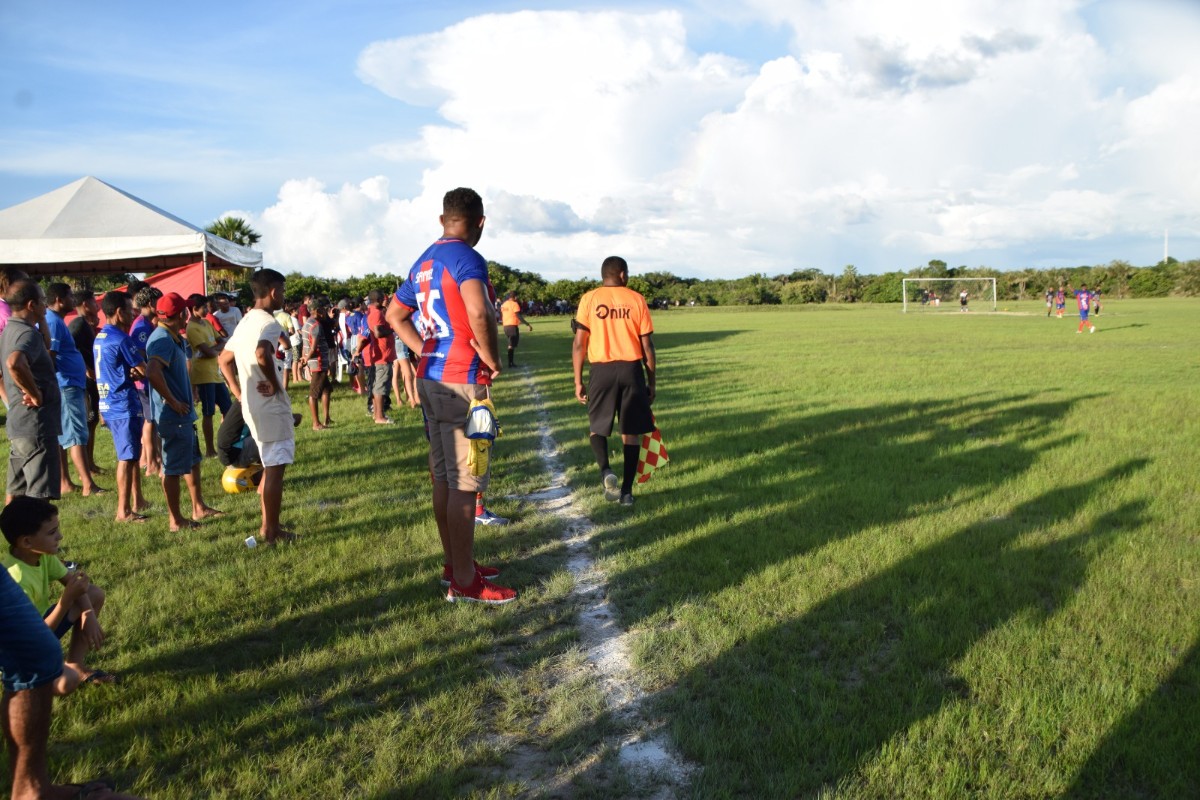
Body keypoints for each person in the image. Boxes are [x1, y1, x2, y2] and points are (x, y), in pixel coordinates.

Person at [388, 187, 514, 605]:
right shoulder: (467, 257)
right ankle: (465, 580)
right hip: (462, 381)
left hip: (432, 377)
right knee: (465, 482)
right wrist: (492, 358)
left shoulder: (423, 261)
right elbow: (479, 311)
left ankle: (455, 565)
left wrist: (426, 349)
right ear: (480, 221)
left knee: (444, 477)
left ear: (442, 220)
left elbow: (394, 315)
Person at [219, 269, 297, 546]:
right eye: (283, 292)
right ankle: (271, 530)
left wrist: (240, 393)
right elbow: (262, 352)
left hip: (252, 405)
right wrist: (275, 384)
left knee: (268, 464)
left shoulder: (246, 320)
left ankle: (269, 526)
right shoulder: (269, 321)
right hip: (269, 406)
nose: (284, 297)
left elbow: (224, 359)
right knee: (275, 468)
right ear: (274, 292)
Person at [2, 496, 111, 691]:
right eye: (52, 532)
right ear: (27, 541)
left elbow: (74, 584)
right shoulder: (16, 580)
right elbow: (35, 636)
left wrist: (88, 614)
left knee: (93, 593)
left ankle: (75, 665)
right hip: (22, 648)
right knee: (65, 684)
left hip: (41, 628)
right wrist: (65, 600)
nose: (60, 536)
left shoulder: (42, 555)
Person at [572, 256, 656, 507]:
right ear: (622, 274)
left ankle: (606, 470)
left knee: (597, 427)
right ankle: (627, 493)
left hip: (601, 370)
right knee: (630, 433)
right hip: (631, 370)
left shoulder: (589, 299)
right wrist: (652, 381)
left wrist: (578, 380)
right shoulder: (636, 299)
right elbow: (647, 346)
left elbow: (579, 343)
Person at [145, 293, 222, 531]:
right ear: (180, 315)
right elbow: (152, 371)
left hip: (184, 415)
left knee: (192, 461)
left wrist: (189, 393)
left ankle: (198, 507)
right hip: (173, 416)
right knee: (173, 468)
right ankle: (176, 520)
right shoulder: (162, 340)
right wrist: (173, 401)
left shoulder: (171, 337)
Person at [1, 280, 63, 503]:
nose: (46, 305)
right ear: (31, 304)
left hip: (20, 425)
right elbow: (14, 363)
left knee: (17, 494)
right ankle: (36, 538)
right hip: (36, 427)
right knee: (38, 497)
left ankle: (14, 537)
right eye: (42, 300)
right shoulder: (26, 335)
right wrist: (35, 394)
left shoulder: (9, 330)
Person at [44, 283, 105, 497]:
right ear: (60, 300)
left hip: (69, 384)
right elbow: (49, 356)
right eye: (70, 296)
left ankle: (65, 482)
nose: (74, 300)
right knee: (77, 434)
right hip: (66, 385)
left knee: (66, 435)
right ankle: (88, 484)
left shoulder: (56, 321)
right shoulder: (53, 322)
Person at [94, 291, 149, 523]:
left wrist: (128, 371)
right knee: (126, 458)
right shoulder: (122, 339)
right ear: (119, 312)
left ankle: (138, 500)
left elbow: (114, 368)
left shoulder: (101, 337)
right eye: (129, 309)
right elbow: (144, 369)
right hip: (122, 403)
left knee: (132, 454)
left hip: (109, 401)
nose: (133, 313)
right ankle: (123, 511)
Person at [185, 293, 231, 458]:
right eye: (204, 307)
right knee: (208, 413)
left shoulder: (206, 322)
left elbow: (221, 343)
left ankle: (225, 443)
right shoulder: (192, 328)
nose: (207, 309)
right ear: (194, 309)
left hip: (215, 373)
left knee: (229, 409)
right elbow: (210, 351)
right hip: (203, 376)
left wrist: (213, 351)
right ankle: (210, 449)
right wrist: (213, 351)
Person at [68, 289, 103, 477]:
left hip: (93, 381)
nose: (97, 306)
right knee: (88, 423)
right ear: (85, 305)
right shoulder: (78, 324)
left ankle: (91, 462)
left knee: (93, 422)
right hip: (85, 382)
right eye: (93, 302)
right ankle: (87, 466)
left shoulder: (86, 324)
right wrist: (85, 369)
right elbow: (69, 347)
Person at [130, 285, 162, 477]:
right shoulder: (141, 326)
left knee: (153, 421)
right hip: (144, 383)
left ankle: (153, 459)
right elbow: (141, 355)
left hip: (149, 381)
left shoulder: (147, 323)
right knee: (150, 421)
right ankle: (151, 463)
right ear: (151, 303)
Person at [362, 290, 397, 424]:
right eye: (384, 298)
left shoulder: (373, 311)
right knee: (380, 388)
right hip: (382, 355)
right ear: (379, 298)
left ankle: (378, 414)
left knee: (379, 386)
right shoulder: (376, 313)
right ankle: (379, 416)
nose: (386, 300)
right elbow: (377, 332)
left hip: (382, 354)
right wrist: (392, 329)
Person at [300, 296, 334, 430]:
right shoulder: (316, 325)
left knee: (326, 390)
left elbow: (305, 345)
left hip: (319, 363)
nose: (326, 312)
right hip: (318, 363)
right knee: (314, 394)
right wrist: (307, 359)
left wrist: (304, 357)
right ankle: (316, 423)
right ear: (318, 310)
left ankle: (327, 418)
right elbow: (314, 348)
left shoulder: (307, 324)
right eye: (324, 310)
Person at [500, 291, 533, 368]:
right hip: (512, 326)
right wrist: (527, 324)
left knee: (511, 344)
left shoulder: (504, 304)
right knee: (511, 345)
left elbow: (504, 313)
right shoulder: (514, 304)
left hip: (506, 326)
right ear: (515, 297)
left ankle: (511, 363)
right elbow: (519, 316)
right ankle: (510, 364)